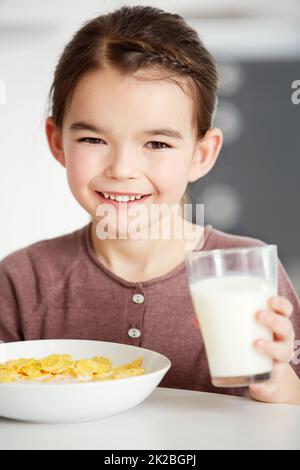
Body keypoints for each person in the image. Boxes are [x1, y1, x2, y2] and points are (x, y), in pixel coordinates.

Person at [1, 5, 299, 404]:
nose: (122, 169)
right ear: (58, 143)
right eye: (94, 139)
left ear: (201, 154)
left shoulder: (247, 270)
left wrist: (277, 385)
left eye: (157, 143)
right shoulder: (23, 281)